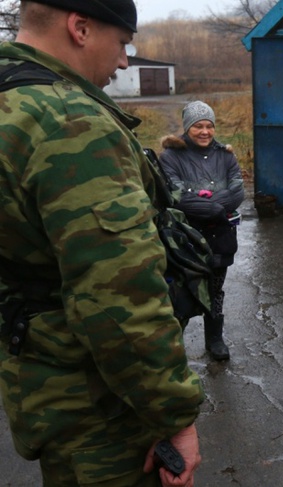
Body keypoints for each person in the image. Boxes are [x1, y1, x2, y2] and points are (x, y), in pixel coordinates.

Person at [0, 1, 204, 486]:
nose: (124, 63)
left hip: (40, 382)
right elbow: (119, 295)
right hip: (101, 408)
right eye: (122, 45)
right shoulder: (70, 122)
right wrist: (175, 416)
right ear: (80, 28)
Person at [159, 101, 244, 361]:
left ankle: (215, 339)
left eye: (209, 126)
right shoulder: (171, 156)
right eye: (198, 126)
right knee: (181, 288)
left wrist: (206, 203)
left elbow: (238, 191)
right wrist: (217, 206)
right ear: (187, 128)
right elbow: (177, 197)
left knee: (216, 288)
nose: (205, 131)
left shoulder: (226, 155)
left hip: (220, 236)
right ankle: (174, 345)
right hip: (185, 237)